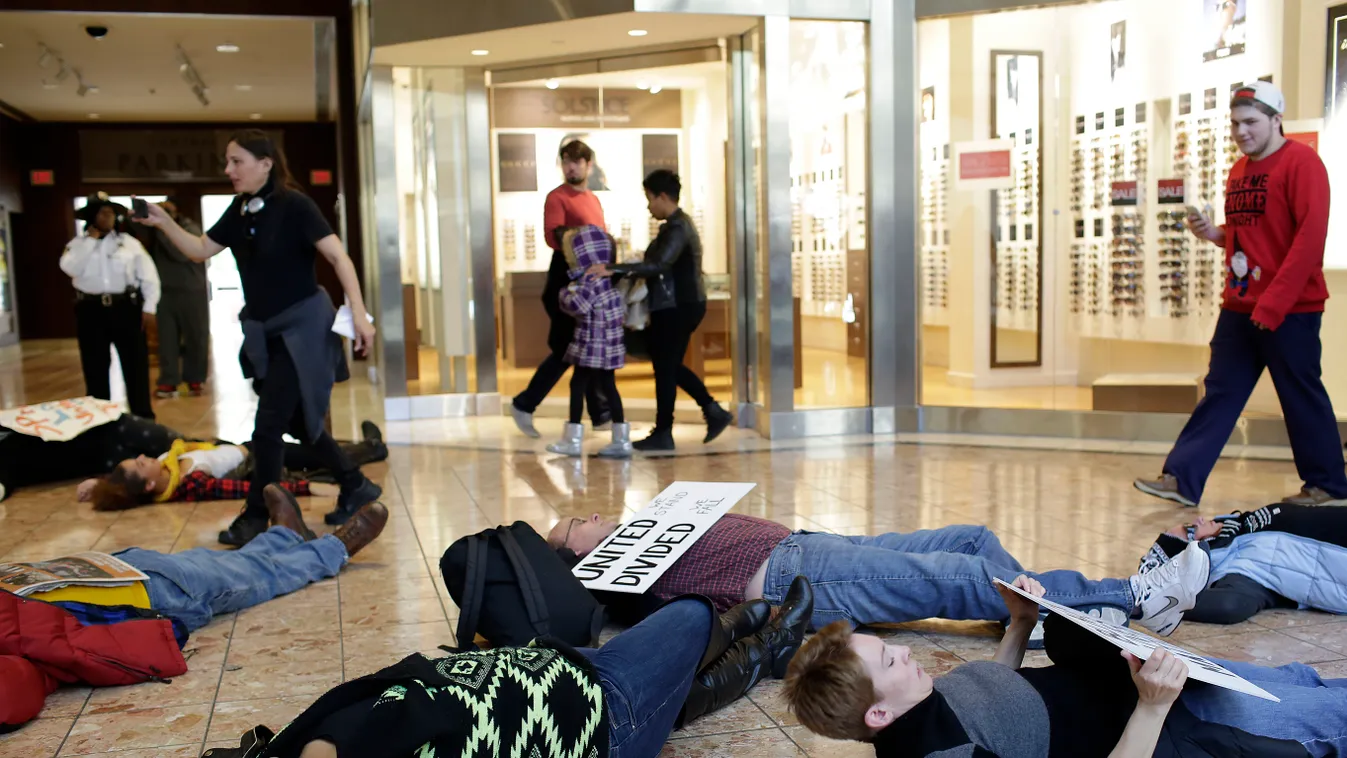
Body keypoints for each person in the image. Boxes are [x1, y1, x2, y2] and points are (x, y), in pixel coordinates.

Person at [203, 576, 815, 758]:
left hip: (562, 668)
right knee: (688, 616)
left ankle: (764, 644)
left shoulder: (301, 741)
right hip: (600, 713)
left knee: (679, 688)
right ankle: (759, 635)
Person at [784, 574, 1347, 757]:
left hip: (1143, 680)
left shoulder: (913, 707)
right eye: (890, 659)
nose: (906, 650)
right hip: (1170, 719)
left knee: (1303, 681)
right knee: (1331, 718)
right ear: (879, 712)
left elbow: (991, 696)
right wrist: (1152, 708)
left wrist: (1021, 623)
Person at [135, 129, 381, 547]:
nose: (229, 170)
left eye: (237, 161)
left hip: (302, 329)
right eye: (227, 162)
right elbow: (198, 249)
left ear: (265, 164)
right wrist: (162, 221)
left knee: (267, 427)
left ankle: (257, 514)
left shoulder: (296, 205)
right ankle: (354, 481)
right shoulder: (240, 210)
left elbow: (338, 256)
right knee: (300, 422)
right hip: (265, 331)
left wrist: (359, 313)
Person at [1135, 80, 1347, 508]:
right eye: (1234, 123)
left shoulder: (1303, 164)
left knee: (1300, 394)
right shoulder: (1239, 171)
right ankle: (1181, 479)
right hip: (1240, 306)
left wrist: (1274, 304)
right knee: (1220, 392)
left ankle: (1329, 487)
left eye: (1250, 122)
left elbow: (1308, 242)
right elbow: (1251, 238)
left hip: (1290, 309)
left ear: (1275, 119)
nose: (1241, 131)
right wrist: (1215, 234)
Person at [549, 512, 1211, 638]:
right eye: (574, 523)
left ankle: (1030, 620)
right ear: (585, 559)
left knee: (971, 539)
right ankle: (1129, 598)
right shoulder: (633, 574)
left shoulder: (656, 522)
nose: (589, 513)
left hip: (815, 545)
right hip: (797, 577)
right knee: (956, 574)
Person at [592, 170, 733, 452]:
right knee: (667, 365)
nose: (648, 206)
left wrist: (614, 268)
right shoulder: (674, 226)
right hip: (675, 305)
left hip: (678, 307)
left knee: (666, 366)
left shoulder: (679, 228)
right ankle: (707, 413)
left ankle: (669, 430)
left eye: (650, 198)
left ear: (663, 197)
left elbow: (659, 265)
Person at [510, 139, 611, 439]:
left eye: (577, 161)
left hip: (588, 281)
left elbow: (599, 238)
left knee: (585, 347)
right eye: (567, 160)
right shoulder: (557, 198)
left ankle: (600, 413)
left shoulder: (593, 198)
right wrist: (588, 241)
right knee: (566, 348)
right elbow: (555, 237)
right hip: (566, 281)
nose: (572, 166)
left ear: (588, 165)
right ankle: (525, 404)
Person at [81, 420, 388, 510]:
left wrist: (98, 484)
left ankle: (367, 447)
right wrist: (307, 488)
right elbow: (247, 489)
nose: (143, 457)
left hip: (246, 448)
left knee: (320, 452)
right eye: (140, 464)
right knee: (322, 455)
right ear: (149, 485)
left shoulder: (166, 467)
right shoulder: (190, 483)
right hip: (257, 460)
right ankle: (372, 447)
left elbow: (122, 485)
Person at [1139, 504, 1347, 625]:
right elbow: (1230, 606)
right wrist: (1139, 599)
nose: (1200, 520)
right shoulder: (1237, 570)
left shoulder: (1239, 528)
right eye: (1191, 530)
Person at [61, 192, 160, 420]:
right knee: (95, 367)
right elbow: (71, 269)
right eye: (103, 213)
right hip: (91, 310)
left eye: (112, 213)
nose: (109, 217)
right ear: (91, 217)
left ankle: (143, 418)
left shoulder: (129, 243)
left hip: (126, 308)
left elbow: (149, 276)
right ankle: (99, 420)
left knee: (135, 365)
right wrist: (92, 241)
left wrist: (150, 308)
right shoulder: (77, 245)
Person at [545, 226, 631, 459]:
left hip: (591, 344)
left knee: (578, 384)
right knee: (609, 386)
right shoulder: (607, 280)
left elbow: (578, 306)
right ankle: (621, 439)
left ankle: (573, 438)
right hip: (608, 344)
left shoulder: (588, 280)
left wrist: (564, 294)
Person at [134, 198, 210, 399]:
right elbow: (141, 243)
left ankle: (195, 379)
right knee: (166, 340)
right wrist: (137, 219)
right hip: (164, 292)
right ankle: (168, 381)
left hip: (191, 292)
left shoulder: (189, 228)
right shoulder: (155, 229)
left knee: (195, 337)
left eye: (166, 209)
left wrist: (163, 227)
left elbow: (182, 254)